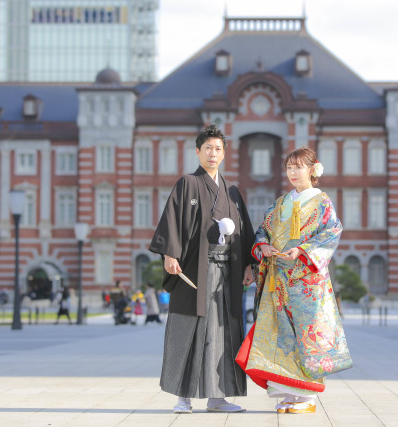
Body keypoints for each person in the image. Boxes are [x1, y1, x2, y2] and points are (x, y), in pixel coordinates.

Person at [148, 124, 256, 414]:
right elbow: (172, 219)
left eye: (218, 148)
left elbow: (244, 229)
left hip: (227, 274)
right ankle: (182, 397)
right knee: (188, 329)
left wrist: (249, 263)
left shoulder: (232, 190)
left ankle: (218, 397)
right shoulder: (187, 184)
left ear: (224, 153)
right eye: (207, 148)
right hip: (194, 271)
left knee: (223, 332)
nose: (213, 153)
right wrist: (170, 253)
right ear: (197, 151)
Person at [236, 146, 352, 415]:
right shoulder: (280, 203)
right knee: (279, 334)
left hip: (305, 280)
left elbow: (332, 231)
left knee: (306, 335)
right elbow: (262, 228)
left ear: (313, 170)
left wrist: (301, 250)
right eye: (289, 167)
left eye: (298, 167)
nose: (293, 172)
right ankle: (287, 393)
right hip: (278, 278)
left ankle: (308, 396)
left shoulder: (322, 202)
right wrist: (263, 245)